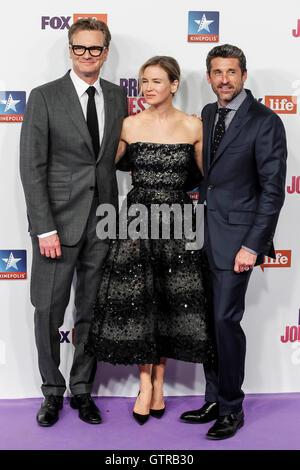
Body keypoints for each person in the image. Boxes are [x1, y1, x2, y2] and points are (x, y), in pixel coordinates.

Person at [85, 56, 215, 425]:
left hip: (178, 219)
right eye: (144, 82)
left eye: (157, 81)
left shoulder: (194, 126)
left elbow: (208, 178)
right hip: (138, 219)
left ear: (174, 85)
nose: (148, 88)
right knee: (141, 301)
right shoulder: (128, 124)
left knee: (170, 301)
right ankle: (146, 384)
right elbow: (98, 166)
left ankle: (160, 383)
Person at [19, 18, 128, 427]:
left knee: (91, 311)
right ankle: (51, 392)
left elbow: (114, 158)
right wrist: (44, 228)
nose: (88, 55)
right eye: (80, 48)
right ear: (70, 50)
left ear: (105, 51)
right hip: (57, 228)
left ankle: (82, 389)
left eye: (95, 49)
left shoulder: (118, 97)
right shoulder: (44, 97)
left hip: (102, 223)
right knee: (48, 311)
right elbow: (32, 167)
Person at [180, 44, 287, 439]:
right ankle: (212, 398)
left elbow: (273, 191)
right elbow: (205, 175)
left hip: (237, 241)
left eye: (231, 72)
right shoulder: (208, 114)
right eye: (217, 72)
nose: (224, 79)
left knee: (225, 322)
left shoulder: (265, 121)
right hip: (202, 236)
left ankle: (231, 407)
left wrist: (252, 245)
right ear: (208, 77)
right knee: (208, 324)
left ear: (243, 75)